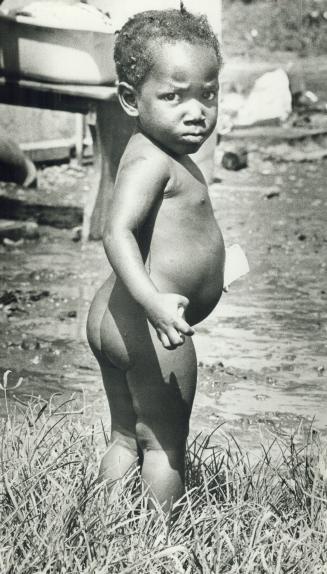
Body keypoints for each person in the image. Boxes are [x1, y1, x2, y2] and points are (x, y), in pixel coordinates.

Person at [87, 6, 225, 511]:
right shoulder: (150, 159)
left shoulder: (163, 152)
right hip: (149, 324)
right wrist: (155, 303)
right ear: (130, 99)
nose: (195, 111)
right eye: (172, 96)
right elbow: (115, 231)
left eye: (207, 93)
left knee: (128, 436)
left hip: (117, 316)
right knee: (165, 446)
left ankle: (102, 527)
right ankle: (160, 548)